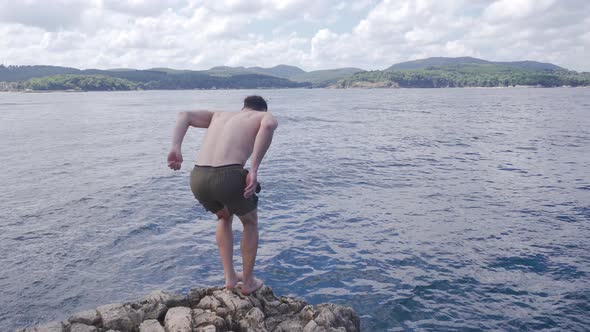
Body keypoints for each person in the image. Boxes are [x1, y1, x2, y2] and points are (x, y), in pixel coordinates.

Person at [167, 95, 278, 295]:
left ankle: (230, 278)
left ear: (243, 107)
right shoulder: (263, 116)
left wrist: (175, 146)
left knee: (224, 216)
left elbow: (184, 115)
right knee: (250, 222)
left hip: (198, 177)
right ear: (262, 109)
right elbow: (269, 126)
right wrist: (253, 169)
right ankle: (248, 282)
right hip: (228, 175)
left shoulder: (219, 115)